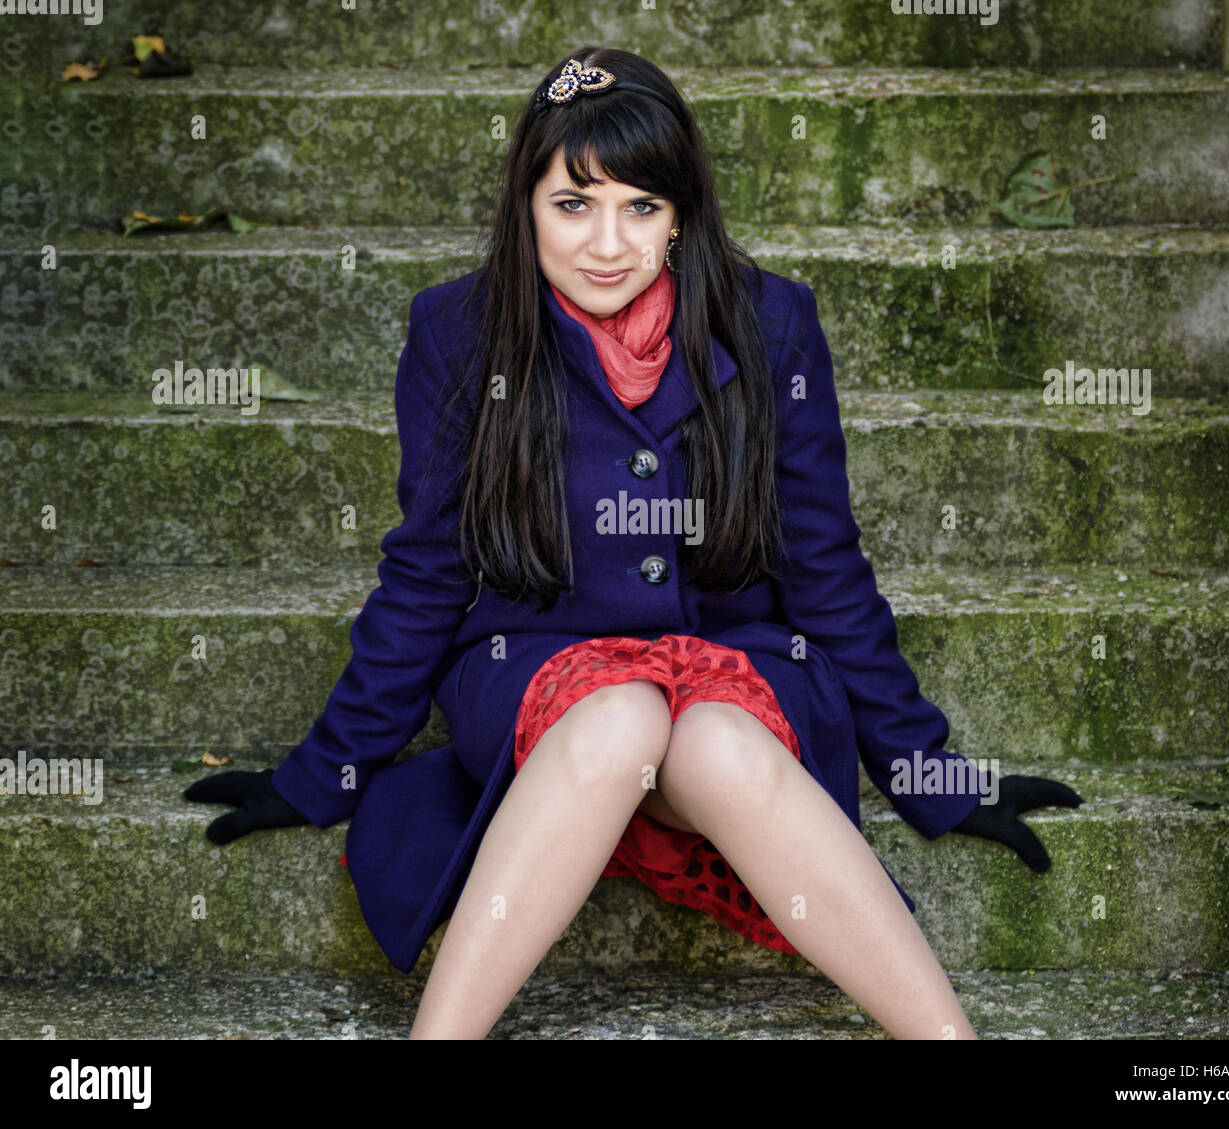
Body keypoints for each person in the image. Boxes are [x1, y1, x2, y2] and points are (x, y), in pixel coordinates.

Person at [184, 47, 1082, 1040]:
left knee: (715, 741)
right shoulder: (458, 331)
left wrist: (925, 770)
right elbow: (428, 571)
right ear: (525, 203)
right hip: (531, 669)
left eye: (641, 207)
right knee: (619, 720)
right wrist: (325, 771)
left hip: (736, 668)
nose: (607, 243)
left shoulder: (773, 321)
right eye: (574, 204)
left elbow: (823, 564)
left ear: (681, 213)